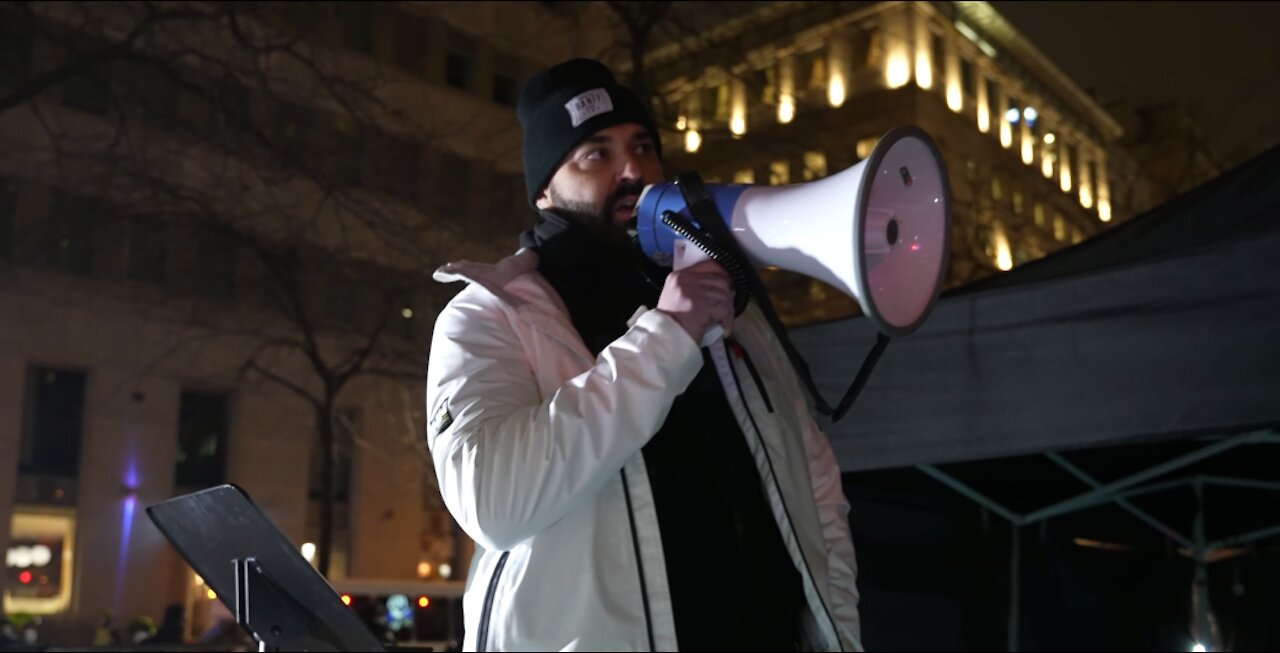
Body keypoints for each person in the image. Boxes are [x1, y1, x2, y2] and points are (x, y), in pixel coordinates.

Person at [426, 58, 862, 651]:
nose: (633, 169)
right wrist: (669, 335)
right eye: (595, 154)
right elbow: (495, 500)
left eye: (643, 146)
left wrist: (838, 636)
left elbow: (814, 487)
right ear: (544, 190)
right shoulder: (487, 317)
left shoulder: (720, 300)